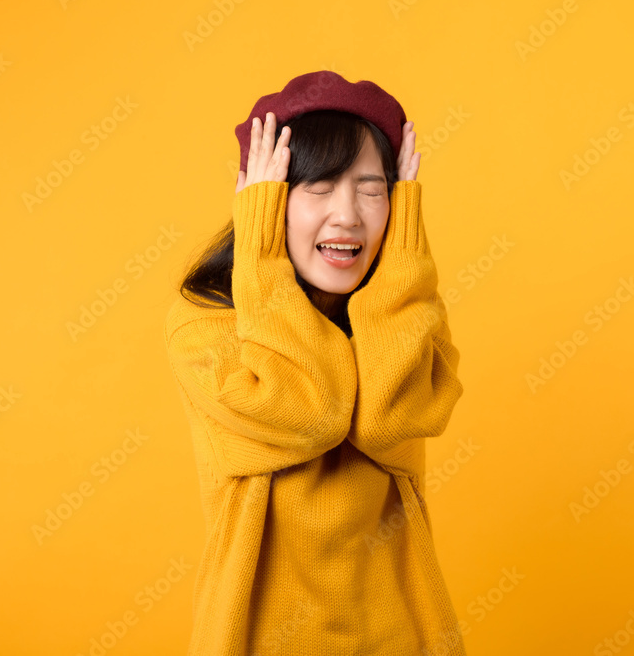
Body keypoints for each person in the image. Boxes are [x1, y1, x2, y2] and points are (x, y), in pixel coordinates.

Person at [164, 70, 466, 654]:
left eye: (373, 188)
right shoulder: (204, 322)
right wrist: (262, 249)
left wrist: (403, 255)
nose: (348, 215)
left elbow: (388, 418)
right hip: (256, 637)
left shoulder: (403, 316)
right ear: (263, 198)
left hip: (402, 633)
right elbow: (311, 412)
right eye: (318, 186)